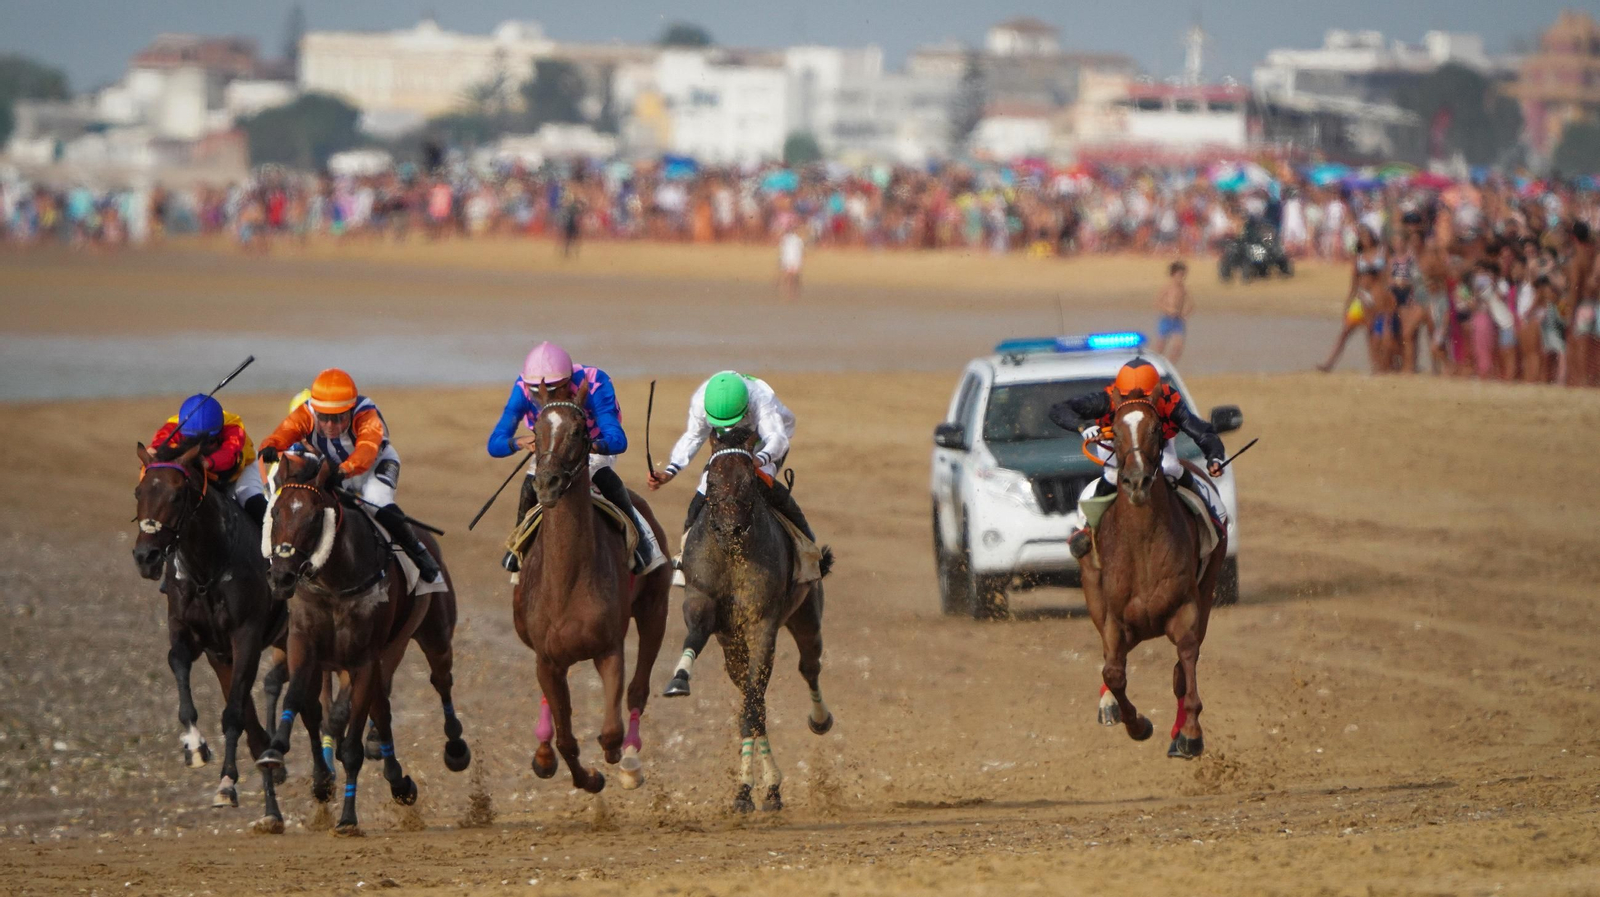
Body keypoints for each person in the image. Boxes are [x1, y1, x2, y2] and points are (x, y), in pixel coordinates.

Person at [486, 341, 664, 575]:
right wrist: (518, 442)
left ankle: (640, 543)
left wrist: (590, 446)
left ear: (567, 381)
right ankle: (518, 545)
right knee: (530, 485)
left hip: (591, 446)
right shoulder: (522, 388)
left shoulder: (595, 382)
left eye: (552, 390)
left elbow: (618, 440)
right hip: (550, 448)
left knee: (606, 479)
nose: (543, 398)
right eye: (536, 390)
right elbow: (495, 443)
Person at [256, 368, 441, 584]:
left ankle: (419, 553)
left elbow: (366, 450)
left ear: (351, 410)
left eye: (339, 418)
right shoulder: (306, 412)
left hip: (374, 466)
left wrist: (342, 472)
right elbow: (286, 431)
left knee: (376, 502)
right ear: (315, 410)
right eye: (324, 418)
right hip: (337, 470)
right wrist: (270, 445)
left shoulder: (366, 413)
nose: (330, 426)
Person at [1048, 359, 1227, 559]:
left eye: (1145, 397)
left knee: (1170, 466)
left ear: (1156, 392)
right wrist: (1083, 426)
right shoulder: (1106, 398)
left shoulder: (1169, 400)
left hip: (1155, 440)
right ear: (1118, 394)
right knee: (1112, 473)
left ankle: (1210, 515)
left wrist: (1214, 457)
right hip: (1116, 442)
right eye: (1125, 398)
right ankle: (1085, 528)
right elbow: (1059, 410)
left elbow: (1201, 431)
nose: (1134, 403)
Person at [646, 370, 813, 546]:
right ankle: (684, 553)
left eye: (732, 422)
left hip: (765, 441)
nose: (729, 426)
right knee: (706, 488)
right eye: (723, 423)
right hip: (726, 442)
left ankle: (807, 546)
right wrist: (670, 471)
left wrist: (759, 460)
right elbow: (694, 437)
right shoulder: (701, 401)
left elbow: (777, 439)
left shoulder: (761, 398)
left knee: (758, 482)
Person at [149, 394, 266, 523]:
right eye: (191, 439)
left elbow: (228, 455)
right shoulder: (175, 425)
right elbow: (158, 446)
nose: (199, 445)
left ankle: (271, 535)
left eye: (208, 441)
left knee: (248, 495)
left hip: (241, 470)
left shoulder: (233, 427)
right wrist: (154, 452)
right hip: (200, 467)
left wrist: (205, 463)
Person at [1154, 260, 1193, 362]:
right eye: (1179, 275)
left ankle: (1170, 365)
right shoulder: (1167, 287)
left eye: (1183, 275)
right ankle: (1155, 364)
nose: (1181, 278)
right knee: (1160, 345)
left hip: (1178, 320)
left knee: (1178, 346)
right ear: (1173, 274)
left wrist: (1185, 314)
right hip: (1166, 318)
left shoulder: (1183, 288)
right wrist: (1168, 309)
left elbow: (1191, 304)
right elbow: (1158, 302)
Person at [778, 226, 803, 301]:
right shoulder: (793, 239)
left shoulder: (791, 239)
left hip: (791, 259)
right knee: (790, 277)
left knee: (791, 277)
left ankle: (789, 292)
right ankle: (789, 292)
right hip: (791, 259)